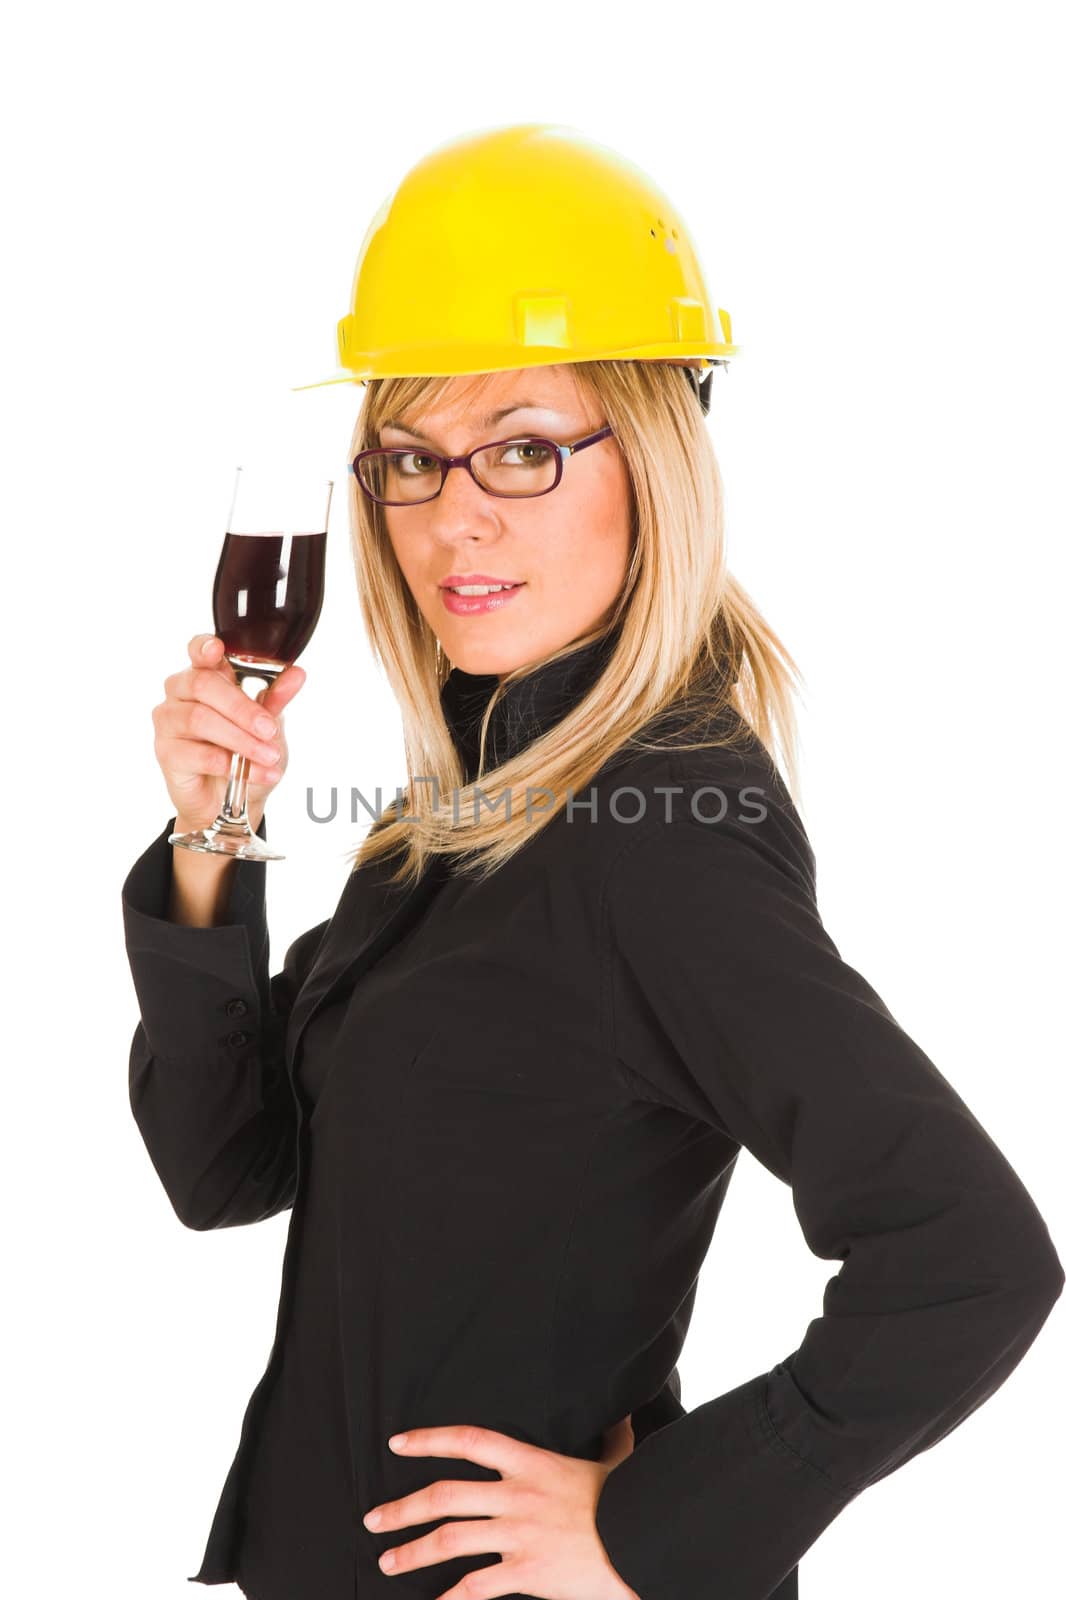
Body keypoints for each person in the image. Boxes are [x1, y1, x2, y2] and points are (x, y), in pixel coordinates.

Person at [122, 123, 1064, 1600]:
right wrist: (212, 838)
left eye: (523, 448)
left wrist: (650, 1529)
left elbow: (970, 1260)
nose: (457, 515)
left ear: (657, 455)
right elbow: (224, 1165)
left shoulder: (661, 836)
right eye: (410, 461)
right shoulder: (462, 813)